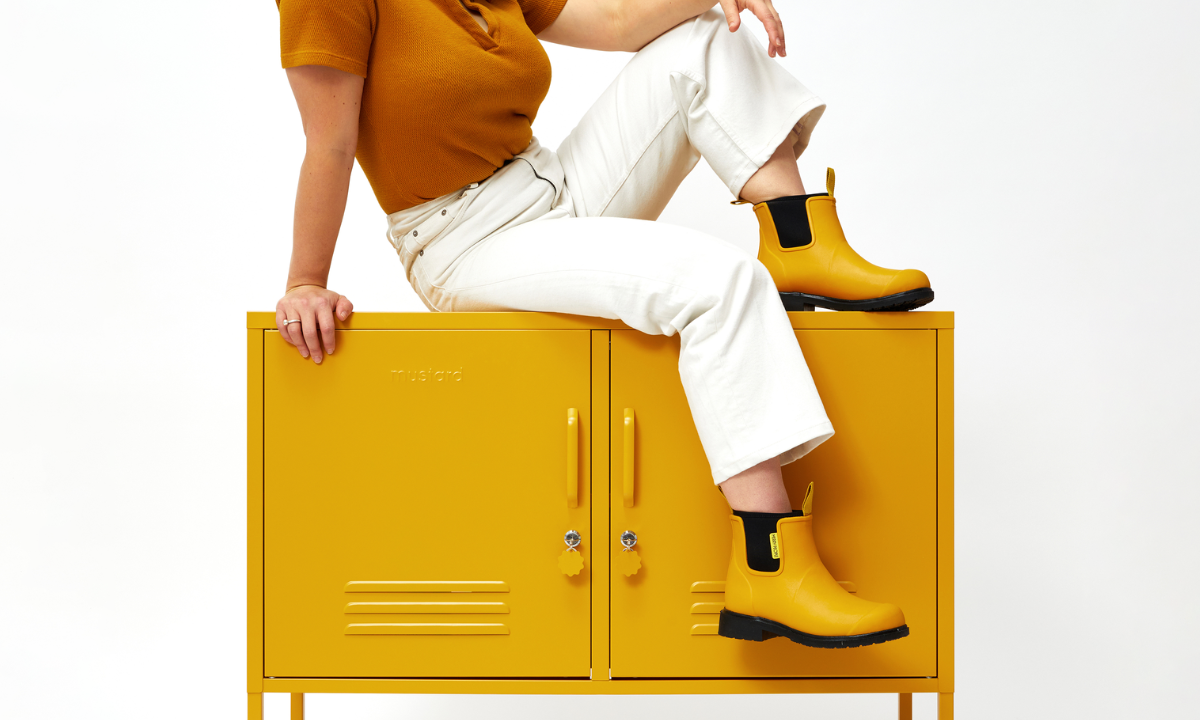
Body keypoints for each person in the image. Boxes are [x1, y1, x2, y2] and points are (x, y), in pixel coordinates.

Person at [272, 0, 931, 649]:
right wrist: (306, 282)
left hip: (550, 184)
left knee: (701, 40)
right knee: (717, 282)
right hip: (464, 239)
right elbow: (328, 142)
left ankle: (801, 241)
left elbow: (617, 24)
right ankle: (769, 566)